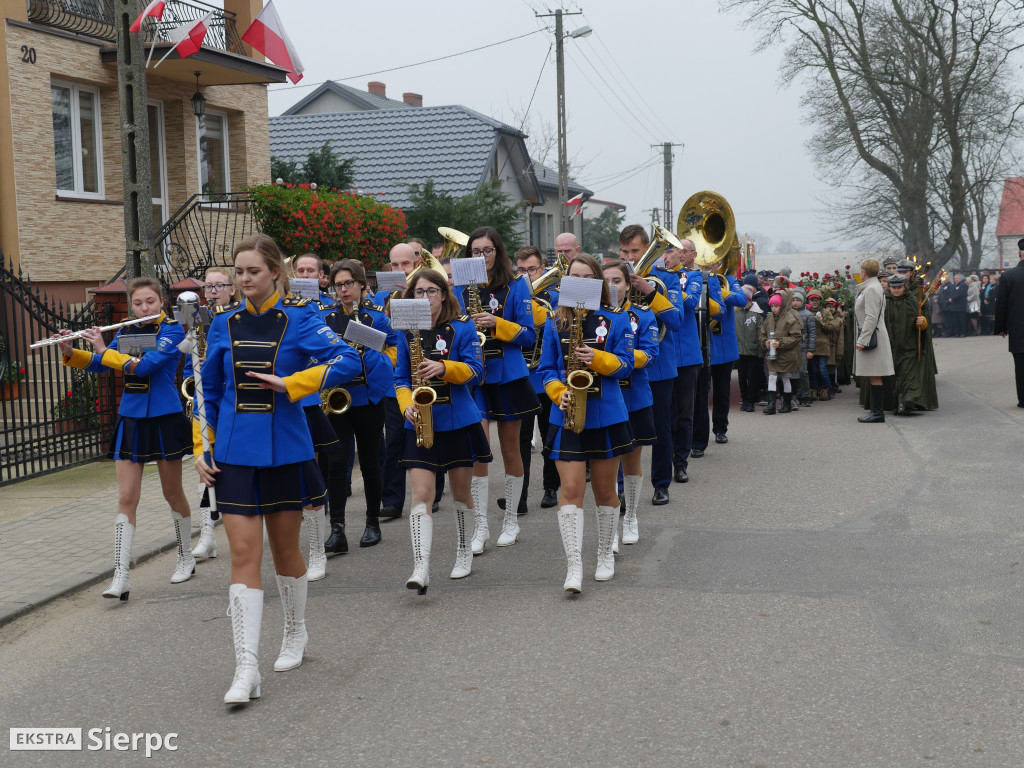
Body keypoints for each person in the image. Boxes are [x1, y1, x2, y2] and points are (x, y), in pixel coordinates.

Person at [194, 233, 362, 704]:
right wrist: (200, 448)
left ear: (275, 274)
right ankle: (246, 667)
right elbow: (206, 394)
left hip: (287, 450)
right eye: (238, 272)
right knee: (243, 555)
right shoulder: (222, 324)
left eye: (253, 271)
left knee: (286, 553)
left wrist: (292, 383)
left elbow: (349, 359)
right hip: (233, 454)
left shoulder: (303, 320)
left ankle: (295, 632)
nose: (244, 280)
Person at [57, 277, 195, 600]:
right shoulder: (126, 331)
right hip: (131, 418)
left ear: (161, 301)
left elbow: (145, 367)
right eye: (138, 303)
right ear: (131, 304)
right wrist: (71, 352)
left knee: (172, 493)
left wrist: (105, 350)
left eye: (150, 301)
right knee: (126, 496)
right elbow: (99, 364)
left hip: (164, 417)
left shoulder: (173, 331)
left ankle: (186, 556)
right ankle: (120, 575)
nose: (144, 308)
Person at [538, 254, 634, 592]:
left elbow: (626, 366)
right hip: (566, 415)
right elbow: (546, 370)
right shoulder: (554, 322)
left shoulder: (617, 319)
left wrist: (599, 358)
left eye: (587, 277)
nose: (579, 283)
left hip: (606, 414)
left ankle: (605, 553)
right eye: (573, 277)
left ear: (598, 283)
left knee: (606, 490)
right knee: (571, 489)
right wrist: (558, 392)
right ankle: (574, 566)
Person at [394, 268, 490, 593]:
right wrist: (405, 402)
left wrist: (444, 368)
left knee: (461, 494)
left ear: (444, 294)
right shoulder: (406, 331)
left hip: (457, 422)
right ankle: (420, 565)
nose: (425, 298)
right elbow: (399, 378)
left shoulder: (462, 329)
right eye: (419, 292)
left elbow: (477, 372)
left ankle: (464, 552)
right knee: (421, 495)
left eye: (431, 291)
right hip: (420, 421)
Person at [457, 227, 537, 553]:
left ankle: (511, 521)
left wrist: (496, 324)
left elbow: (529, 336)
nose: (481, 257)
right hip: (475, 378)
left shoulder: (517, 286)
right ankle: (480, 527)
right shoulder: (461, 287)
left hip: (508, 377)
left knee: (510, 450)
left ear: (497, 252)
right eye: (475, 251)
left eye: (487, 250)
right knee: (479, 451)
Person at [319, 259, 398, 557]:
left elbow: (394, 347)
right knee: (337, 464)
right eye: (338, 285)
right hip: (337, 399)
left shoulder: (376, 317)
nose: (343, 290)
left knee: (369, 462)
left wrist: (377, 360)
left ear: (363, 285)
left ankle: (371, 522)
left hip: (368, 396)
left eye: (348, 284)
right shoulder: (325, 318)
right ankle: (337, 529)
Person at [604, 260, 662, 546]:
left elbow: (651, 353)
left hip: (635, 397)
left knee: (631, 463)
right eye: (606, 281)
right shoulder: (592, 318)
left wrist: (623, 359)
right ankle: (611, 526)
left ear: (628, 285)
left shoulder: (643, 315)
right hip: (604, 399)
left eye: (617, 281)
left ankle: (631, 518)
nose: (612, 286)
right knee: (607, 464)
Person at [187, 267, 239, 561]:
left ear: (232, 289)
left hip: (232, 402)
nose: (213, 291)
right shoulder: (197, 320)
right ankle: (207, 536)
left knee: (230, 468)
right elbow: (188, 362)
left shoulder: (239, 318)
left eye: (219, 285)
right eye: (208, 287)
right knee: (204, 464)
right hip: (205, 404)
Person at [511, 245, 560, 513]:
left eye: (532, 269)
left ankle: (551, 487)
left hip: (545, 377)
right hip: (521, 376)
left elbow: (551, 322)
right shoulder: (512, 297)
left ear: (543, 269)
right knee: (520, 441)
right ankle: (519, 497)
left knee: (549, 436)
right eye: (521, 270)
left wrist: (527, 302)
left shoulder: (553, 296)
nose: (527, 275)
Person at [376, 242, 420, 520]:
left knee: (428, 435)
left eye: (405, 264)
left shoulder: (428, 289)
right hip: (396, 378)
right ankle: (392, 500)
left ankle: (432, 492)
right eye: (395, 265)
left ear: (416, 262)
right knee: (392, 440)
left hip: (428, 373)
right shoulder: (381, 295)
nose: (400, 270)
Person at [692, 261, 746, 447]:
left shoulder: (729, 280)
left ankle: (721, 428)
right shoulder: (694, 280)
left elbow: (741, 300)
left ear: (720, 262)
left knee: (722, 391)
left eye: (713, 262)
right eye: (704, 263)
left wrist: (714, 290)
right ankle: (698, 434)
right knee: (700, 393)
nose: (708, 266)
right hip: (704, 344)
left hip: (724, 345)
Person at [883, 272, 938, 413]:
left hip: (909, 346)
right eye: (893, 287)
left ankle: (908, 399)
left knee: (908, 374)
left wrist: (922, 322)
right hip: (890, 347)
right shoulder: (884, 302)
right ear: (889, 287)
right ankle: (898, 402)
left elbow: (921, 321)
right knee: (895, 375)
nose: (896, 290)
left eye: (899, 287)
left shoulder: (913, 301)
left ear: (904, 287)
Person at [854, 258, 896, 423]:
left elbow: (871, 316)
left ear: (864, 272)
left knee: (875, 374)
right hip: (874, 334)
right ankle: (876, 411)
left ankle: (877, 412)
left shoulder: (871, 288)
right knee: (874, 375)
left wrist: (863, 339)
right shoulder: (872, 287)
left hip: (873, 336)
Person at [759, 289, 802, 414]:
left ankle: (787, 404)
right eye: (772, 306)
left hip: (786, 354)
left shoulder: (790, 318)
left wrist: (781, 343)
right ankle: (771, 405)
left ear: (782, 305)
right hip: (772, 354)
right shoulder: (769, 318)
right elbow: (762, 333)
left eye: (776, 306)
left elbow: (796, 337)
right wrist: (765, 342)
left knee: (785, 378)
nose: (773, 309)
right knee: (772, 377)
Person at [994, 238, 1024, 408]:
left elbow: (1001, 304)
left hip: (1018, 330)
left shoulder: (1008, 276)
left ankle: (1023, 399)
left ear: (1020, 253)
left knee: (1020, 367)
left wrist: (1000, 328)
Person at [734, 284, 764, 411]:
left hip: (753, 351)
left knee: (752, 377)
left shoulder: (757, 314)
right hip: (740, 351)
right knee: (741, 377)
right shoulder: (735, 312)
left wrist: (761, 352)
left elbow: (760, 333)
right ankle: (744, 398)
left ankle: (751, 401)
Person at [806, 289, 838, 401]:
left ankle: (827, 388)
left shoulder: (825, 312)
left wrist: (822, 323)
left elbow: (833, 327)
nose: (814, 302)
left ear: (820, 301)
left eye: (816, 300)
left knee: (822, 368)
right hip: (811, 345)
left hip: (823, 345)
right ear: (808, 301)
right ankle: (814, 388)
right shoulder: (806, 312)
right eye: (812, 300)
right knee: (813, 369)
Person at [790, 288, 816, 408]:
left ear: (803, 301)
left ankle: (806, 396)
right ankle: (796, 395)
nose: (795, 302)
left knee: (803, 372)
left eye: (798, 300)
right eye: (793, 300)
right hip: (791, 348)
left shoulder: (808, 315)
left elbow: (812, 333)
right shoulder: (788, 314)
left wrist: (811, 350)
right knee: (793, 373)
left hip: (803, 347)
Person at [944, 272, 968, 337]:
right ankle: (957, 333)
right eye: (955, 278)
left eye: (958, 278)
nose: (957, 279)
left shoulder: (964, 285)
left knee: (962, 320)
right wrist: (949, 298)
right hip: (953, 306)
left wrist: (953, 299)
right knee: (955, 321)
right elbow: (949, 293)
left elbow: (961, 294)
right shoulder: (953, 286)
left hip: (961, 306)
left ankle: (963, 333)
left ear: (960, 279)